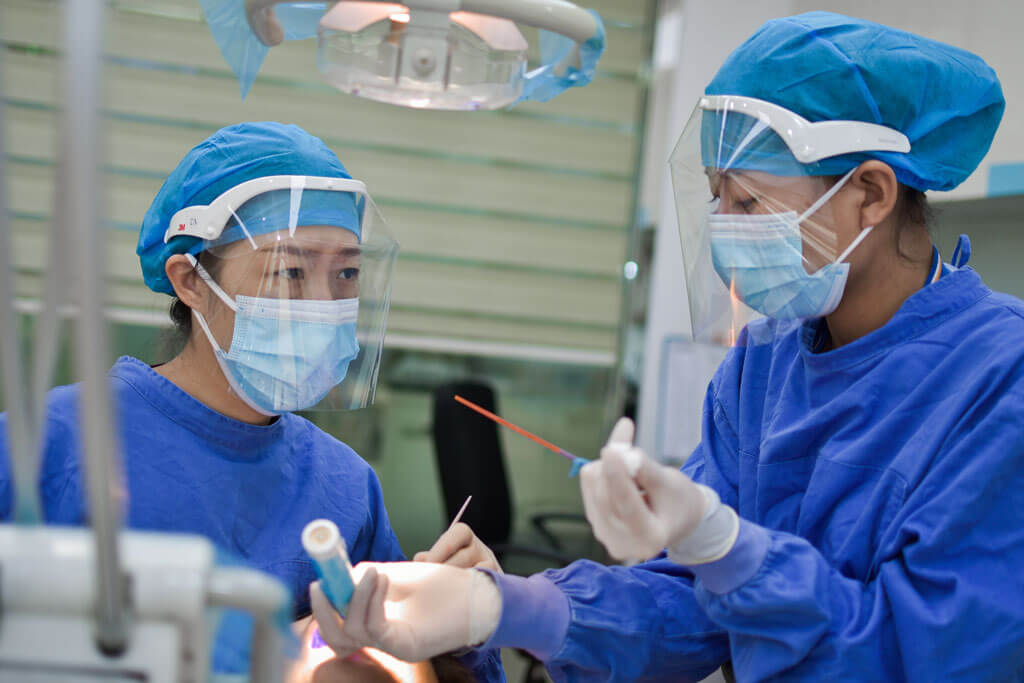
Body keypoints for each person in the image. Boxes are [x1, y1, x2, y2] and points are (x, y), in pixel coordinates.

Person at [307, 12, 1024, 681]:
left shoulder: (998, 379)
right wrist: (506, 606)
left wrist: (728, 547)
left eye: (747, 202)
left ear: (870, 192)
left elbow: (921, 652)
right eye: (715, 198)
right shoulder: (764, 365)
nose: (725, 227)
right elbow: (690, 603)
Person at [0, 122, 503, 681]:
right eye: (290, 270)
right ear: (190, 282)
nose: (323, 303)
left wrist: (462, 626)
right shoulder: (49, 446)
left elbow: (400, 664)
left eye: (346, 273)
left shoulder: (346, 485)